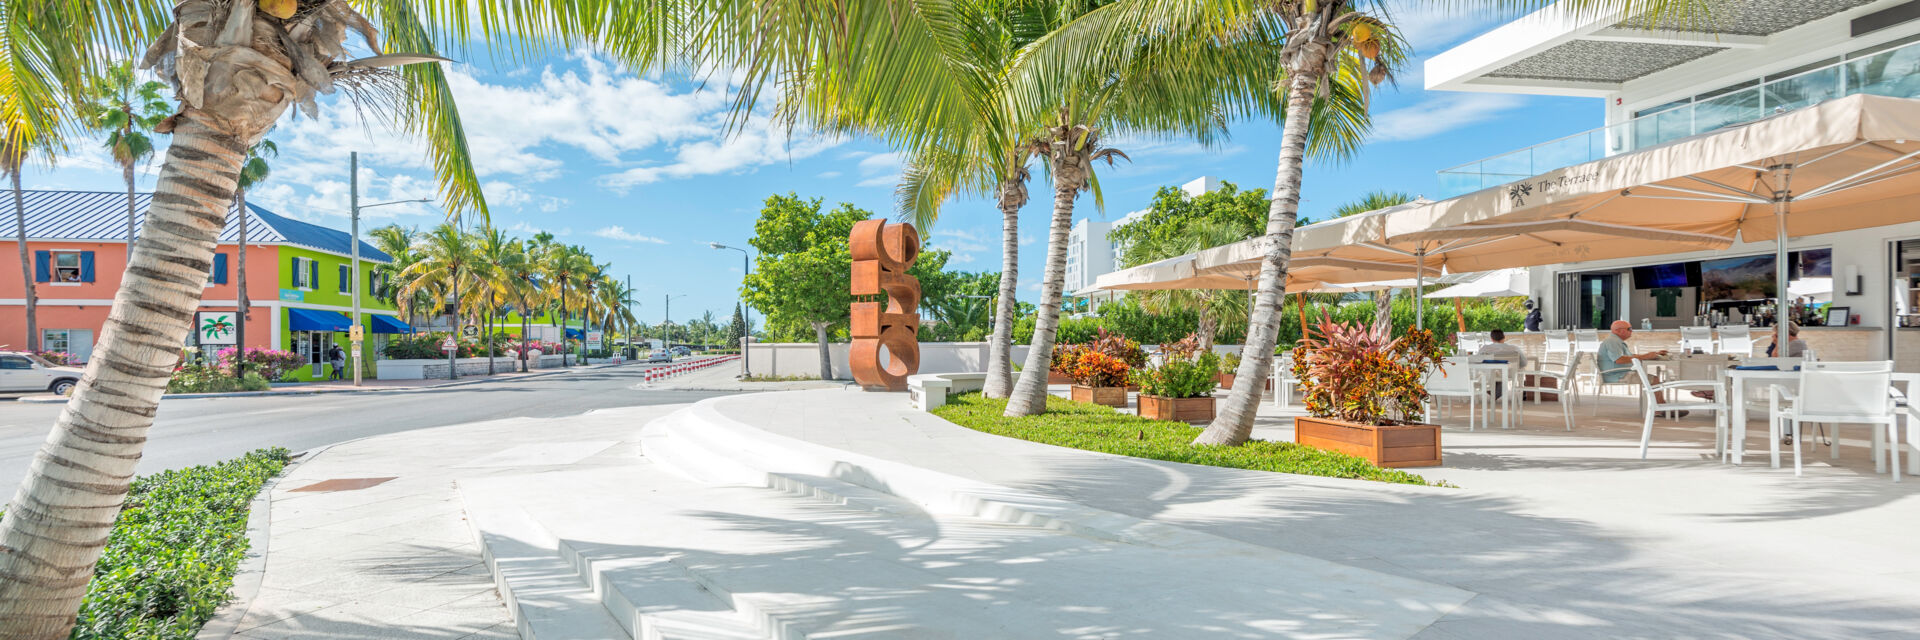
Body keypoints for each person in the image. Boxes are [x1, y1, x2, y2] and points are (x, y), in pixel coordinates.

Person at [1596, 320, 1680, 413]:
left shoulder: (1616, 341)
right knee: (1653, 379)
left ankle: (1661, 407)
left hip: (1619, 372)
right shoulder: (1612, 341)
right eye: (1629, 329)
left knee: (1652, 378)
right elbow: (1619, 359)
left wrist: (1654, 354)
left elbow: (1630, 356)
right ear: (1619, 330)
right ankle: (1661, 409)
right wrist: (1645, 357)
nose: (1632, 331)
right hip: (1617, 375)